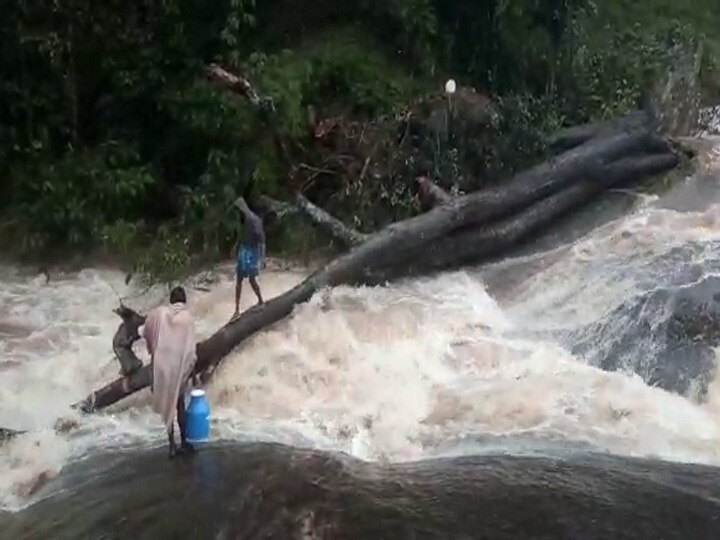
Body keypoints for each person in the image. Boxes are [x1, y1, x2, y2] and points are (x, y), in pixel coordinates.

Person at [138, 286, 197, 458]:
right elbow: (190, 348)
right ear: (184, 300)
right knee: (179, 405)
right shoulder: (187, 318)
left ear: (171, 300)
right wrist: (190, 368)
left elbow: (146, 330)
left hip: (162, 366)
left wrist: (151, 347)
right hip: (178, 366)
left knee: (167, 405)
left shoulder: (159, 314)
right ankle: (184, 442)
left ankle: (171, 445)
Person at [232, 196, 265, 319]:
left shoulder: (254, 221)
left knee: (251, 279)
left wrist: (262, 259)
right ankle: (236, 310)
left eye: (237, 211)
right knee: (239, 280)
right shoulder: (243, 220)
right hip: (244, 250)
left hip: (252, 251)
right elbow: (242, 235)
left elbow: (262, 241)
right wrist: (236, 246)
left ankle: (261, 301)